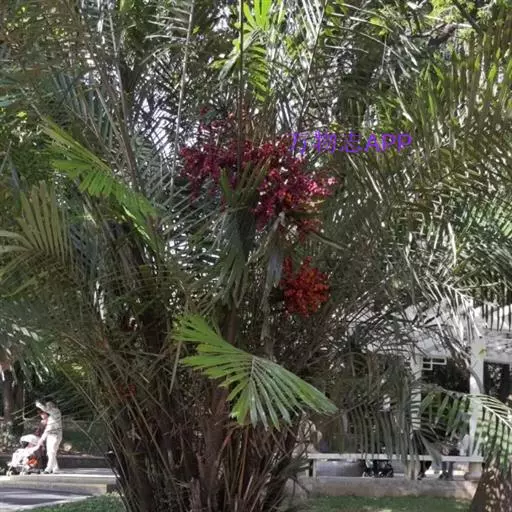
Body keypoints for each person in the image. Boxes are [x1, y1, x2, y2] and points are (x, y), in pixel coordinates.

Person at [34, 400, 62, 474]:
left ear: (53, 406)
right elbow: (47, 429)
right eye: (47, 405)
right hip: (50, 435)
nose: (47, 407)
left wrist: (38, 404)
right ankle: (55, 468)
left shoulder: (56, 411)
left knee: (52, 451)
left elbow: (46, 410)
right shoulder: (50, 418)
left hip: (56, 435)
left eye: (49, 405)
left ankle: (48, 469)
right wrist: (42, 439)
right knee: (50, 453)